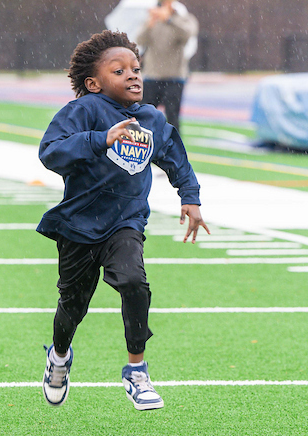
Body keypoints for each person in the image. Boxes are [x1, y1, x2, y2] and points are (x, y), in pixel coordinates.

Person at [36, 30, 209, 411]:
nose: (133, 76)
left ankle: (136, 370)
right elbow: (50, 152)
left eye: (136, 68)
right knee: (73, 305)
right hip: (79, 226)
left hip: (125, 223)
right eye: (120, 70)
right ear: (94, 83)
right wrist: (100, 138)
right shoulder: (82, 111)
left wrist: (191, 199)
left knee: (134, 282)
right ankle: (60, 356)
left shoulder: (150, 119)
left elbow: (176, 158)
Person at [133, 0, 198, 132]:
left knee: (173, 119)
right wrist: (150, 23)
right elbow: (139, 40)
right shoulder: (151, 20)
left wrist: (169, 20)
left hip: (174, 78)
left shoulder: (183, 19)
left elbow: (188, 34)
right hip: (152, 77)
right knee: (143, 118)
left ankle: (173, 153)